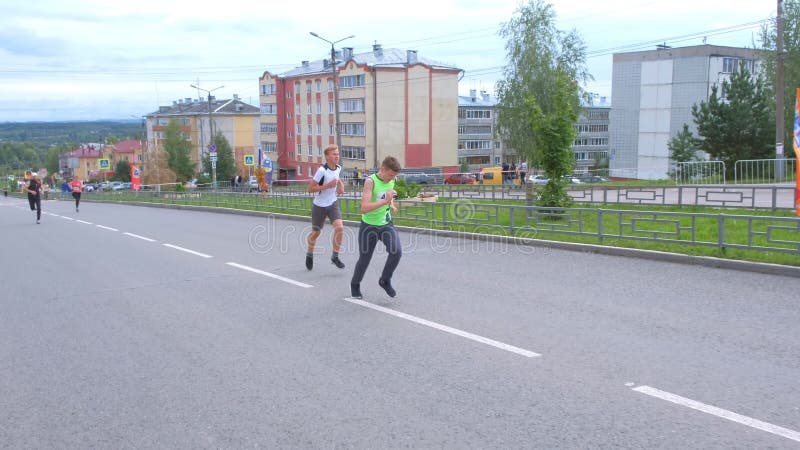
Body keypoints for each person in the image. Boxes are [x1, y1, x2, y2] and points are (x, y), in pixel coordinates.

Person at [350, 156, 402, 299]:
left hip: (386, 224)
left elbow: (387, 197)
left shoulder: (391, 180)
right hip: (369, 227)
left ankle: (385, 280)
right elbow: (364, 208)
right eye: (391, 175)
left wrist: (390, 204)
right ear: (383, 169)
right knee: (364, 259)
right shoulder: (370, 182)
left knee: (396, 251)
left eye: (395, 176)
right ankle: (355, 284)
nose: (392, 178)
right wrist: (385, 201)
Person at [305, 145, 347, 271]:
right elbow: (310, 189)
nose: (337, 156)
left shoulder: (338, 168)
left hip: (332, 203)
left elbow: (336, 177)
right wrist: (327, 186)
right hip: (319, 205)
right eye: (334, 154)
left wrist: (340, 185)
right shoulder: (321, 171)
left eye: (338, 154)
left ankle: (335, 256)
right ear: (327, 157)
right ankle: (309, 254)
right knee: (316, 232)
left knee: (339, 227)